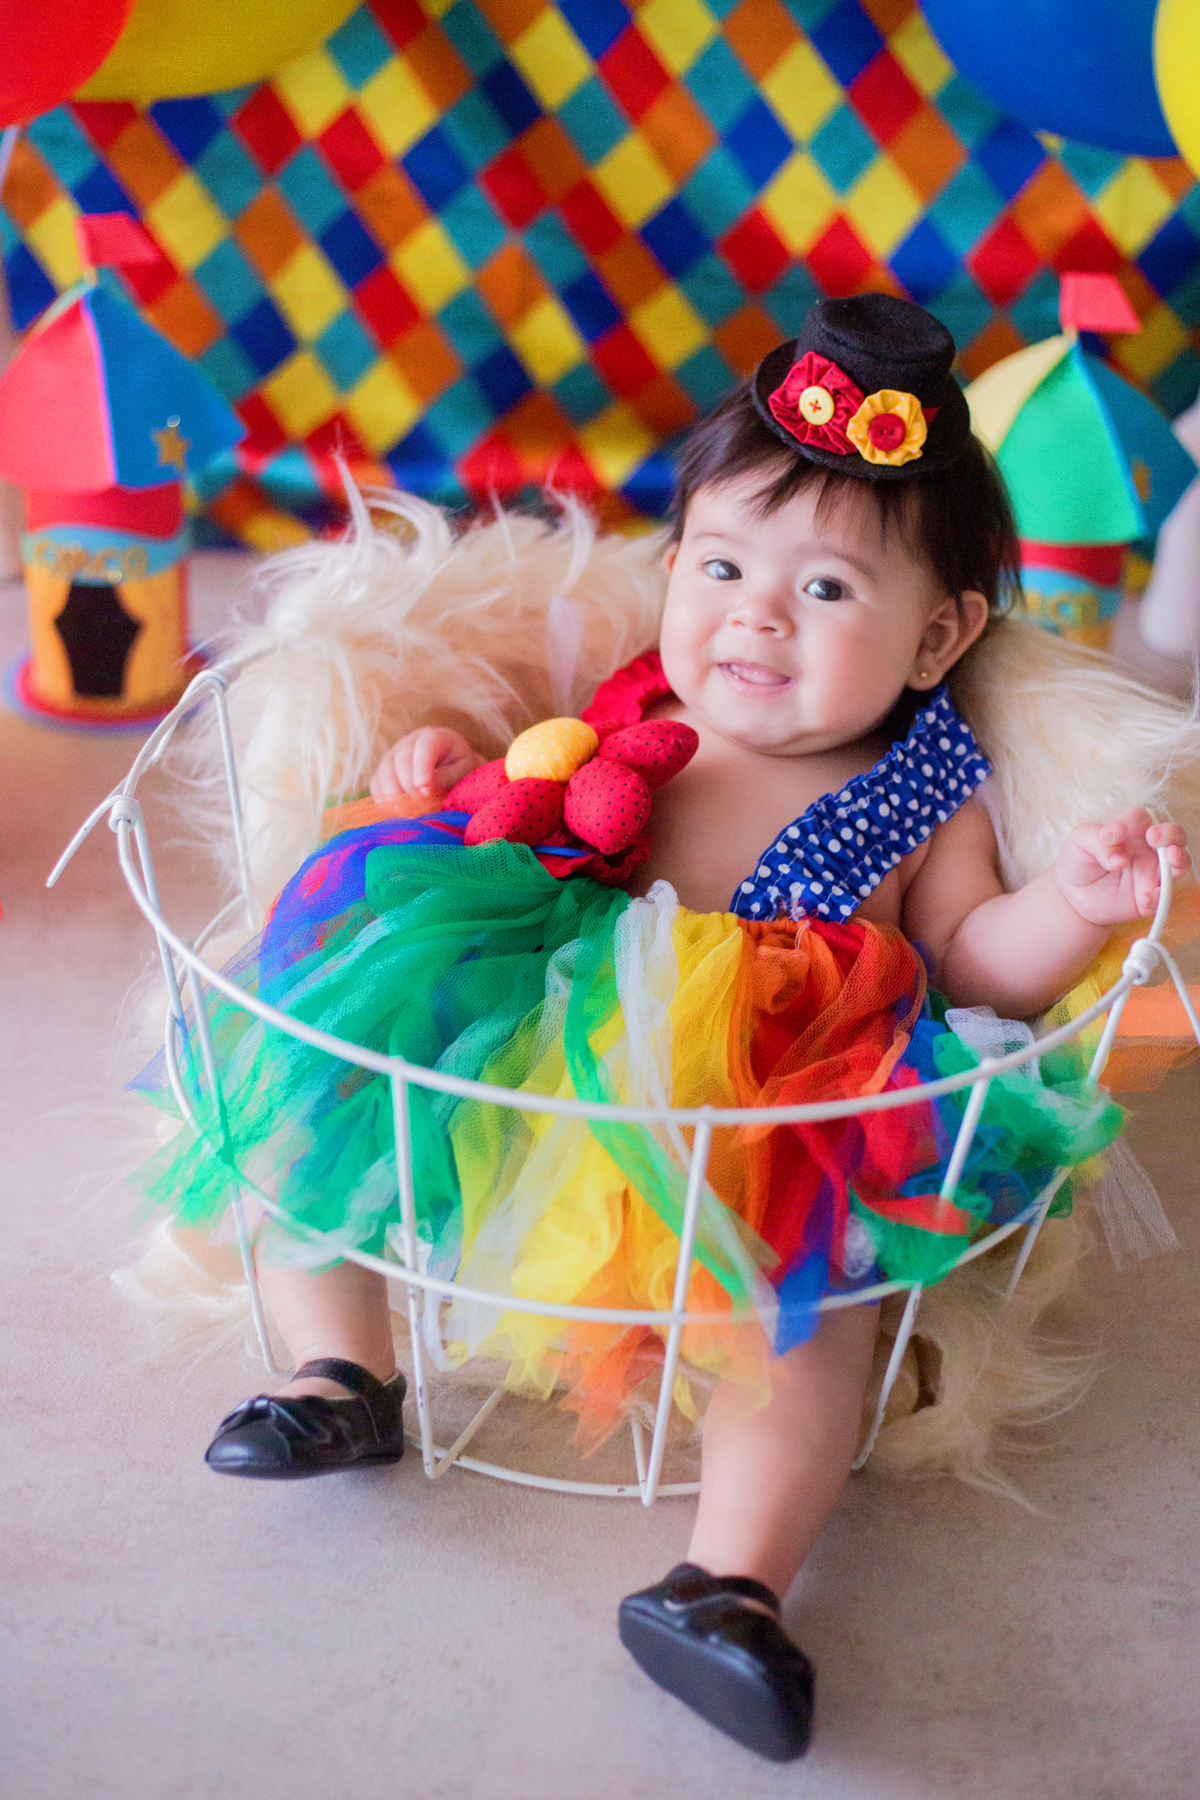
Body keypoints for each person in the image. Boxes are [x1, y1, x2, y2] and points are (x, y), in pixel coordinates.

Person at [137, 295, 1188, 1763]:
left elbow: (975, 962)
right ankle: (339, 1372)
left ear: (940, 636)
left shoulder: (930, 782)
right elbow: (525, 807)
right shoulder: (644, 701)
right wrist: (433, 784)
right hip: (543, 1000)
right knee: (326, 1060)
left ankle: (733, 1583)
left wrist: (1073, 906)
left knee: (816, 1308)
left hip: (779, 1087)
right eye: (722, 564)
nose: (754, 613)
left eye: (827, 592)